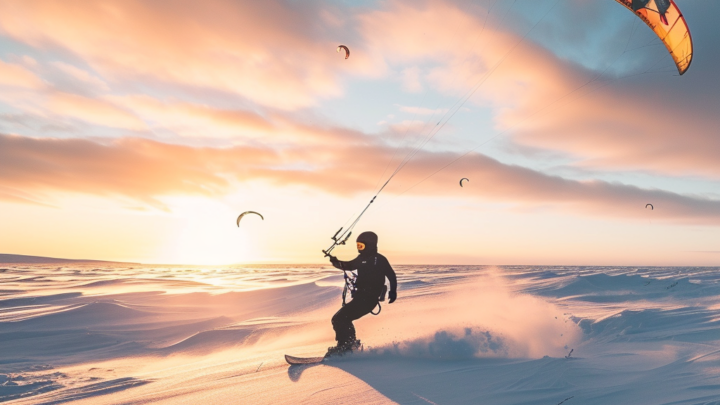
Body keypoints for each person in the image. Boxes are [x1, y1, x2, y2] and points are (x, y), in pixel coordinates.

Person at [327, 231, 397, 356]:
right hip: (361, 298)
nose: (359, 249)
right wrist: (335, 261)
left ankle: (346, 347)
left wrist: (393, 291)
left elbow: (391, 275)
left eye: (362, 246)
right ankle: (349, 344)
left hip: (368, 300)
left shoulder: (380, 260)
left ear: (370, 245)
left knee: (340, 318)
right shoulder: (361, 259)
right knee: (343, 319)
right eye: (358, 246)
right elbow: (348, 265)